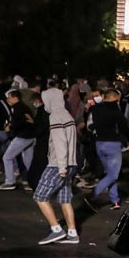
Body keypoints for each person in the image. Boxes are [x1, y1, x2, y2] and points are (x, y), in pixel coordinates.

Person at [34, 88, 79, 245]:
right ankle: (72, 233)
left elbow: (60, 143)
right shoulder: (67, 115)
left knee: (40, 196)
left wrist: (61, 167)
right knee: (65, 199)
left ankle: (56, 229)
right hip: (71, 163)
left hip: (58, 164)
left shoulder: (55, 116)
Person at [84, 89, 129, 211]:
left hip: (99, 144)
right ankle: (93, 195)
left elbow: (92, 124)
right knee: (113, 174)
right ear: (113, 98)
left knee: (109, 173)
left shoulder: (95, 108)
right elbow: (124, 126)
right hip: (112, 144)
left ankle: (115, 200)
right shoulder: (115, 110)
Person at [0, 90, 35, 190]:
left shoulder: (19, 108)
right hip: (30, 137)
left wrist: (10, 127)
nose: (7, 100)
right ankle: (34, 182)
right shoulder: (22, 107)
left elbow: (21, 122)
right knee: (29, 161)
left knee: (7, 157)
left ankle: (10, 182)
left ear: (15, 98)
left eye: (9, 98)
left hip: (23, 136)